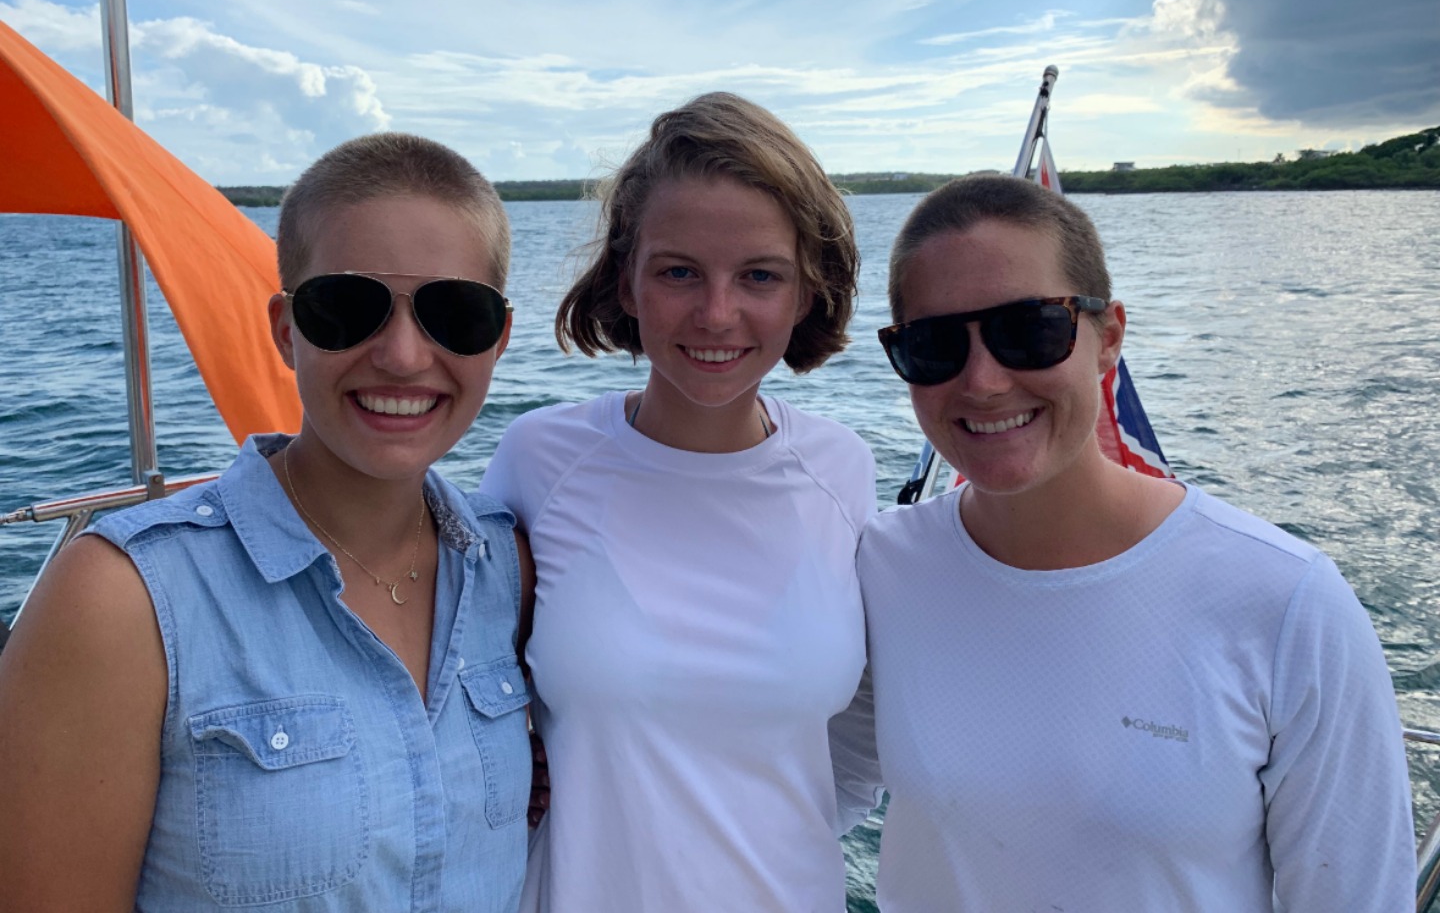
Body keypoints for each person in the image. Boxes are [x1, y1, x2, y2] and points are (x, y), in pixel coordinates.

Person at [830, 173, 1416, 911]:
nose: (982, 381)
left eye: (1029, 330)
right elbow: (803, 792)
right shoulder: (881, 569)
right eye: (935, 344)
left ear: (1108, 338)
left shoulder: (1285, 602)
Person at [0, 133, 533, 911]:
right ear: (287, 330)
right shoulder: (124, 601)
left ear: (499, 339)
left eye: (456, 313)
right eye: (346, 308)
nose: (403, 355)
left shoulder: (508, 568)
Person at [477, 92, 875, 911]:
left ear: (806, 292)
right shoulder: (540, 461)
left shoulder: (844, 472)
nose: (717, 313)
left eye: (759, 275)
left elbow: (862, 742)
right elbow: (467, 678)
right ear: (625, 283)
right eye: (679, 272)